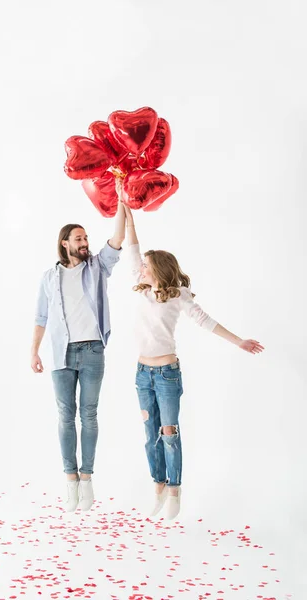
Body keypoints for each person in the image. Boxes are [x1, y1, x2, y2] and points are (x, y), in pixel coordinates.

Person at [121, 188, 264, 520]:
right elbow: (132, 244)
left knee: (169, 432)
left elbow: (206, 321)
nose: (141, 267)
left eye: (146, 265)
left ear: (158, 268)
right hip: (142, 373)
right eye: (141, 265)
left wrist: (239, 340)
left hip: (167, 374)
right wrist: (124, 207)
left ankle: (175, 491)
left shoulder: (178, 296)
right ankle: (158, 486)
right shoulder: (140, 287)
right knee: (149, 432)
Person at [31, 202, 125, 512]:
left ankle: (87, 479)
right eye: (79, 239)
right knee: (64, 416)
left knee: (89, 415)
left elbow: (117, 240)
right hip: (62, 353)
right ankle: (70, 480)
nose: (85, 243)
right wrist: (34, 351)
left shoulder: (97, 267)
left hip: (93, 350)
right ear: (65, 243)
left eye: (86, 238)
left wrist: (122, 204)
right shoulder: (49, 277)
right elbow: (42, 317)